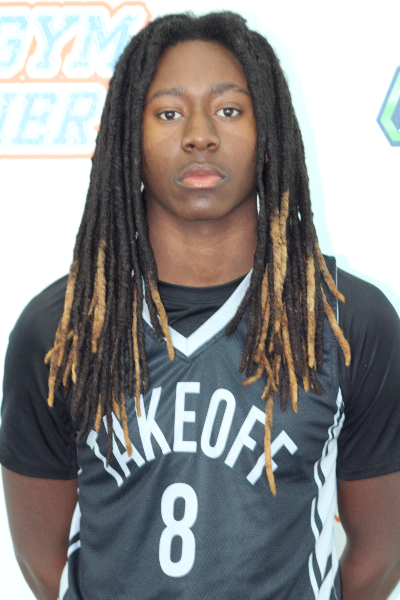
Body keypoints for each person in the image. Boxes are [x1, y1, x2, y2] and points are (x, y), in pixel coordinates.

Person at [1, 10, 400, 600]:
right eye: (168, 113)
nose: (200, 135)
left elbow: (379, 555)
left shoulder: (348, 321)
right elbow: (44, 562)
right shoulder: (62, 329)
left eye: (229, 110)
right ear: (128, 137)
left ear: (269, 130)